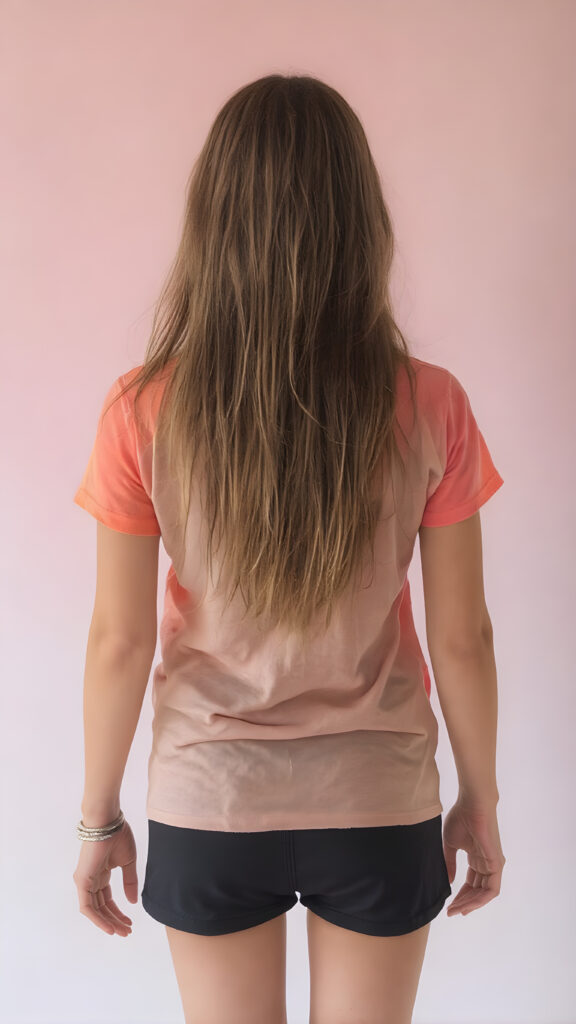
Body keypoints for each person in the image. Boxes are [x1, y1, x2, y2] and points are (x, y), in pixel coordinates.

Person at [72, 73, 506, 1024]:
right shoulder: (430, 402)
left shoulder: (143, 410)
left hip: (210, 801)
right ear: (361, 221)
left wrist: (100, 819)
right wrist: (479, 799)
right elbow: (463, 635)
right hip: (380, 802)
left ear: (212, 220)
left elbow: (117, 641)